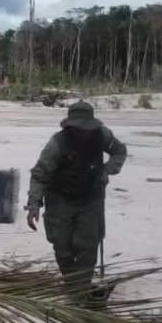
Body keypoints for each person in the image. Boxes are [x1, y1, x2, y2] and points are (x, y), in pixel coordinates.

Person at [26, 101, 127, 296]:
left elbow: (120, 151)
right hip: (59, 198)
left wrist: (107, 170)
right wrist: (34, 205)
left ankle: (79, 291)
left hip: (91, 197)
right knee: (62, 246)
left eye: (86, 128)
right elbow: (39, 175)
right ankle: (73, 284)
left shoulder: (102, 135)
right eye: (79, 128)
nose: (83, 132)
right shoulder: (57, 143)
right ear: (70, 126)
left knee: (88, 246)